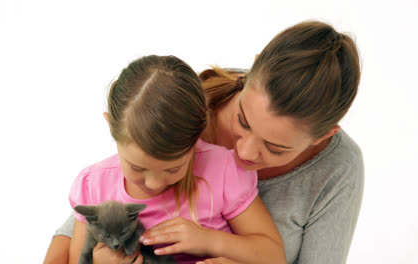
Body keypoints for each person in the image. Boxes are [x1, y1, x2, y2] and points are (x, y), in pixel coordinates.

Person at [44, 20, 363, 264]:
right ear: (251, 73)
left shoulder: (337, 171)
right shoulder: (187, 102)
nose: (244, 153)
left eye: (275, 147)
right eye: (243, 120)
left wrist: (217, 245)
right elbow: (84, 222)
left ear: (324, 135)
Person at [66, 54, 286, 264]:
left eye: (173, 169)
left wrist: (208, 240)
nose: (154, 183)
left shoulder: (223, 171)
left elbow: (273, 256)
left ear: (198, 135)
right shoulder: (92, 186)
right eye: (137, 167)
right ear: (110, 126)